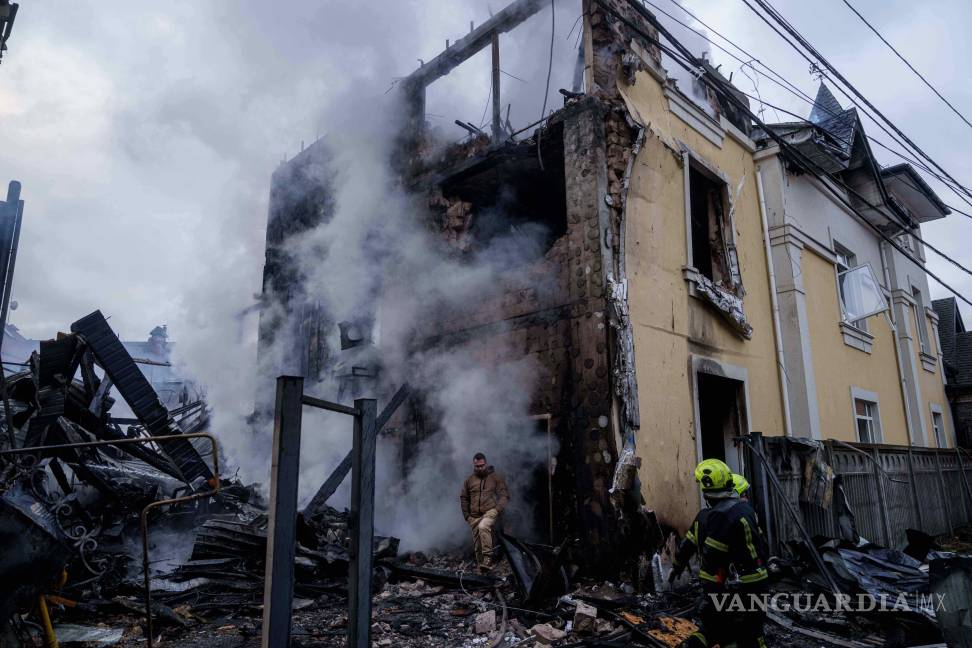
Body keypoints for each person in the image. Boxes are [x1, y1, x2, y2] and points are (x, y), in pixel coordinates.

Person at [669, 459, 769, 648]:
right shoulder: (744, 511)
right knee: (749, 631)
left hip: (725, 584)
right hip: (749, 584)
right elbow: (762, 546)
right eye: (744, 493)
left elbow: (696, 549)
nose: (746, 497)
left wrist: (677, 567)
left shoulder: (708, 517)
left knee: (720, 629)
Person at [459, 452, 509, 572]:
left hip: (490, 511)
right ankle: (482, 568)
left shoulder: (495, 478)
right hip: (474, 515)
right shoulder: (469, 480)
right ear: (473, 465)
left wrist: (497, 509)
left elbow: (504, 495)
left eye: (482, 465)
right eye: (477, 466)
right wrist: (467, 516)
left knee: (483, 526)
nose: (480, 468)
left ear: (486, 464)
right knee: (477, 544)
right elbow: (464, 498)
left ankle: (488, 559)